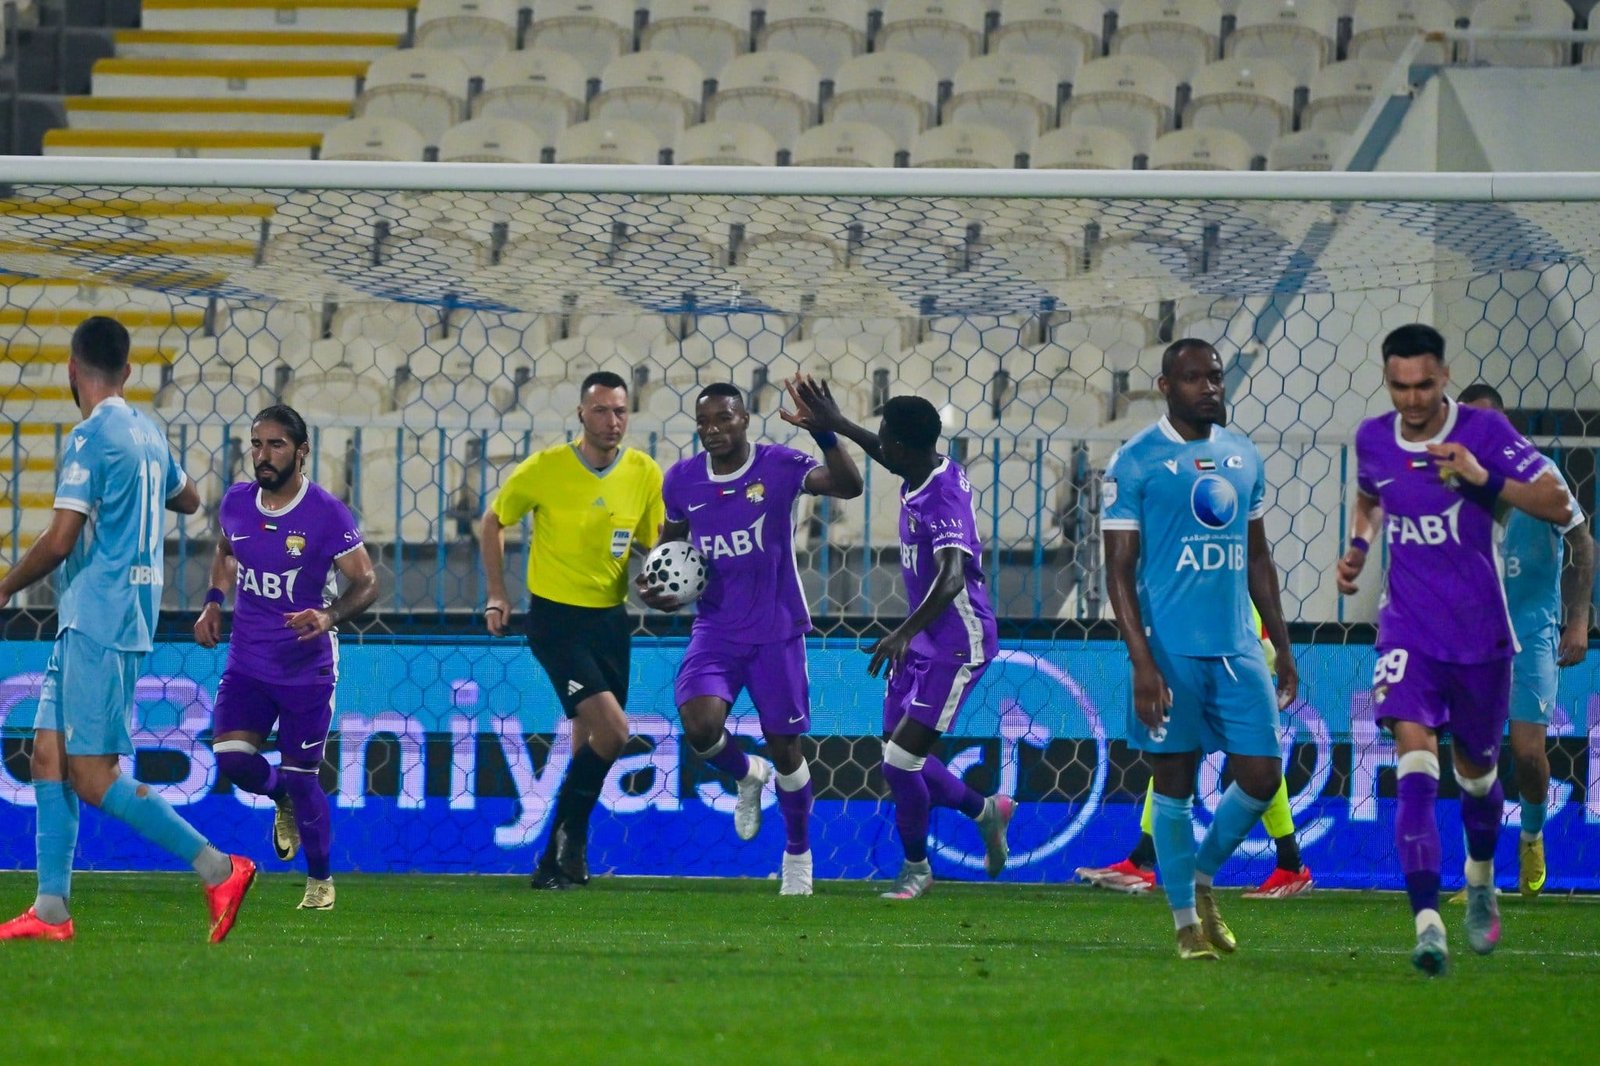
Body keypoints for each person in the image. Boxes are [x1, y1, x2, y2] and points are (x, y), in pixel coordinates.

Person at [0, 315, 256, 943]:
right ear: (129, 372)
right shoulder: (146, 431)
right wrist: (140, 492)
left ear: (70, 369)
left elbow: (61, 538)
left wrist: (5, 586)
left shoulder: (90, 438)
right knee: (48, 756)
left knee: (91, 775)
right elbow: (191, 498)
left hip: (101, 618)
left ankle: (218, 867)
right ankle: (52, 908)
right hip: (109, 614)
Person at [1336, 325, 1576, 975]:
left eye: (1423, 385)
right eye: (1398, 386)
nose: (1411, 400)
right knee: (1415, 767)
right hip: (1407, 630)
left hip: (1482, 638)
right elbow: (1368, 495)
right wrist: (1359, 546)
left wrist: (1482, 476)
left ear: (1444, 376)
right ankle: (1427, 922)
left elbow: (1558, 503)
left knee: (1477, 778)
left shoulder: (1487, 434)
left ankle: (1479, 881)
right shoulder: (1374, 439)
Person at [1100, 339, 1299, 961]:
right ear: (1165, 386)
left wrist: (1284, 646)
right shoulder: (1134, 463)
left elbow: (1259, 557)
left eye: (1214, 377)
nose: (1210, 387)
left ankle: (1202, 876)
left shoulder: (1243, 456)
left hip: (1239, 646)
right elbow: (1118, 572)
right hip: (1170, 649)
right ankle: (1186, 923)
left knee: (1262, 776)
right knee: (1175, 786)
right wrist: (1141, 660)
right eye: (1193, 379)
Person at [784, 387, 1013, 900]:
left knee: (899, 763)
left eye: (887, 442)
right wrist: (838, 423)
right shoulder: (922, 467)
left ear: (906, 449)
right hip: (925, 634)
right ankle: (985, 810)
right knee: (897, 750)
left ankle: (916, 869)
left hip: (957, 640)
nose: (880, 450)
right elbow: (889, 452)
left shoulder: (944, 496)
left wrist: (903, 632)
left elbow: (953, 577)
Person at [636, 380, 863, 896]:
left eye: (723, 419)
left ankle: (798, 856)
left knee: (788, 751)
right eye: (704, 422)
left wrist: (827, 435)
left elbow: (848, 486)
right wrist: (659, 586)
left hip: (777, 629)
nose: (713, 430)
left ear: (744, 420)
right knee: (699, 724)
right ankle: (744, 773)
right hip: (715, 627)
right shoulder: (682, 480)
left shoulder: (778, 465)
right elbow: (669, 549)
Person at [481, 370, 665, 889]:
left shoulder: (644, 472)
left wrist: (661, 581)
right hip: (556, 619)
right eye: (602, 410)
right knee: (615, 732)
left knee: (590, 742)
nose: (613, 421)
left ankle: (553, 863)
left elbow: (651, 547)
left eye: (621, 411)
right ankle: (574, 840)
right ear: (581, 415)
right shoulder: (545, 469)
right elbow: (493, 520)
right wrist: (498, 593)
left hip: (610, 619)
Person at [193, 405, 379, 911]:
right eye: (257, 444)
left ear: (301, 452)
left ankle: (320, 883)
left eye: (276, 445)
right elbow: (226, 553)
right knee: (231, 757)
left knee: (304, 777)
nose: (263, 455)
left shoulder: (327, 514)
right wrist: (213, 601)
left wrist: (329, 615)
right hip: (248, 659)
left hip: (306, 666)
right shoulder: (235, 503)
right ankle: (281, 799)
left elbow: (367, 582)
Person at [1075, 608, 1314, 899]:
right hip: (1216, 637)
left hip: (1230, 640)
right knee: (1189, 750)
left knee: (1246, 757)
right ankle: (1143, 861)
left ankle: (1290, 864)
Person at [1457, 383, 1590, 897]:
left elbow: (1583, 542)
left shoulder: (1541, 475)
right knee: (1475, 756)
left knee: (1529, 755)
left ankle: (1532, 836)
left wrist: (1578, 621)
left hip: (1532, 630)